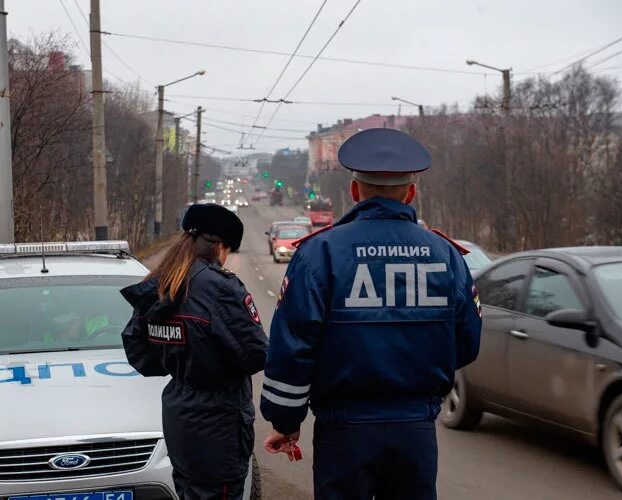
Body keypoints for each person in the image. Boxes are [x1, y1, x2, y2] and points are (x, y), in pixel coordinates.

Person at [261, 128, 482, 500]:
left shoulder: (321, 253)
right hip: (416, 430)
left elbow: (293, 347)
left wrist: (286, 420)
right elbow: (468, 343)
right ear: (411, 193)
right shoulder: (445, 255)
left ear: (354, 192)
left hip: (343, 432)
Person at [121, 203, 268, 500]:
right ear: (219, 246)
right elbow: (256, 354)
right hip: (219, 421)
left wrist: (181, 358)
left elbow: (140, 354)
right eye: (228, 250)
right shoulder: (219, 287)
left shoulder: (160, 283)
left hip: (180, 417)